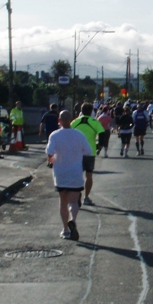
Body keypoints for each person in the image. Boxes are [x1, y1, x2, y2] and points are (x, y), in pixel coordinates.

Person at [46, 110, 91, 241]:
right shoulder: (79, 135)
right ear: (71, 119)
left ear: (59, 121)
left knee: (63, 202)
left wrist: (52, 161)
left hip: (60, 173)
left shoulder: (54, 135)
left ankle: (65, 229)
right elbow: (88, 151)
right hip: (75, 172)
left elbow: (50, 153)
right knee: (73, 201)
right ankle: (73, 221)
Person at [70, 102, 105, 206]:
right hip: (90, 152)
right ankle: (86, 197)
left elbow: (68, 133)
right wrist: (99, 146)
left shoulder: (75, 122)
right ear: (91, 111)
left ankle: (77, 194)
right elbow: (102, 134)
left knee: (76, 175)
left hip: (76, 152)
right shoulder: (94, 122)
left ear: (81, 110)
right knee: (89, 175)